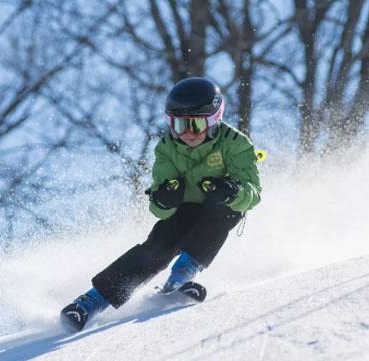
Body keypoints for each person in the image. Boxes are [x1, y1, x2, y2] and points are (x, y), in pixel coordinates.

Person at [61, 77, 261, 331]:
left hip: (220, 205)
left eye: (196, 125)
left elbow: (253, 193)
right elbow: (158, 207)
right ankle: (90, 303)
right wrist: (164, 199)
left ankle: (181, 276)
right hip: (185, 208)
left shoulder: (235, 143)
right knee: (160, 243)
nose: (187, 134)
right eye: (178, 125)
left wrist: (233, 191)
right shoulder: (167, 148)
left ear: (213, 121)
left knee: (223, 210)